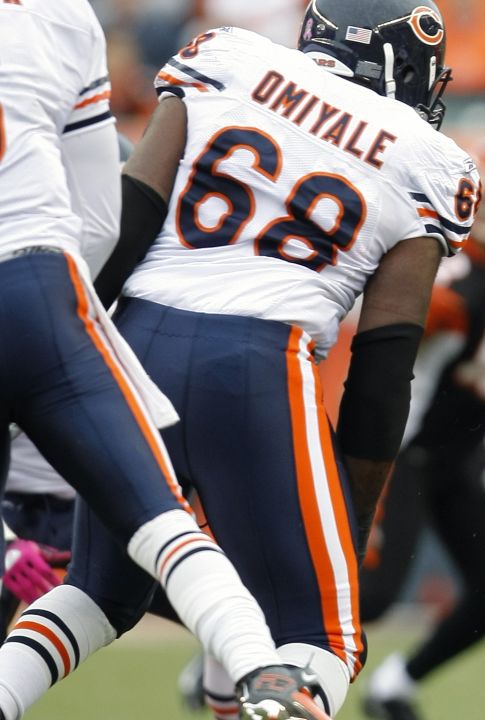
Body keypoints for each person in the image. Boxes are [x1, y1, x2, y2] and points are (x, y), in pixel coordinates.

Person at [0, 0, 480, 717]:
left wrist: (72, 366)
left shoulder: (229, 58)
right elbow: (383, 370)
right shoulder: (431, 160)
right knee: (327, 637)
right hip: (259, 367)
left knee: (98, 593)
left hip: (135, 340)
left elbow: (128, 218)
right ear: (405, 63)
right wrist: (355, 514)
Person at [0, 1, 330, 718]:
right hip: (34, 284)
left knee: (95, 585)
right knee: (165, 525)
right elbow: (95, 218)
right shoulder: (58, 16)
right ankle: (265, 678)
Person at [354, 139, 485, 720]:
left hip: (467, 452)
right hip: (404, 455)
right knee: (375, 599)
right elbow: (381, 349)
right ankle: (242, 646)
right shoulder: (454, 277)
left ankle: (394, 684)